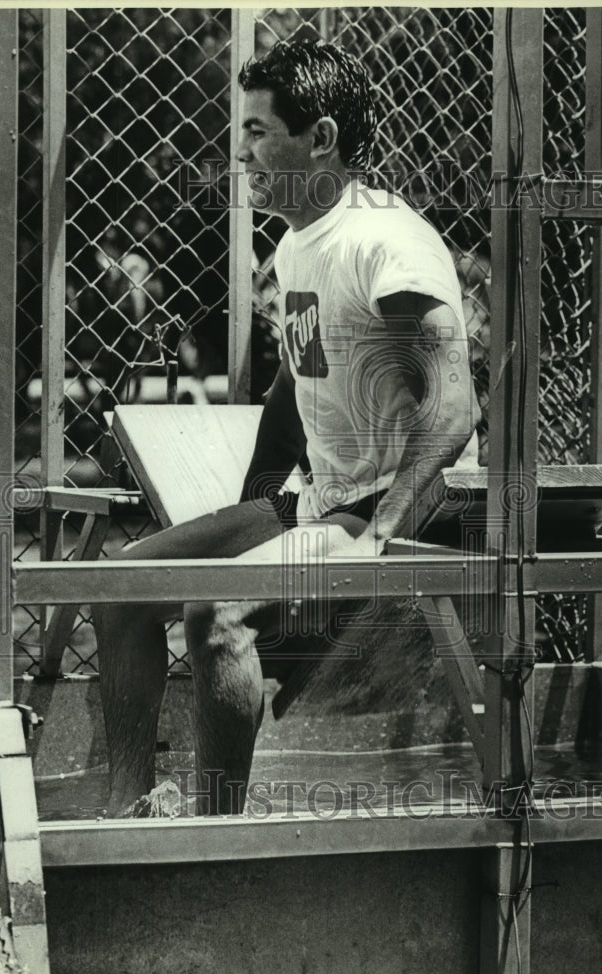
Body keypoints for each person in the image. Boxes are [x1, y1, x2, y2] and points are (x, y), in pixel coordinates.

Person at [93, 39, 480, 816]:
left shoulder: (386, 243)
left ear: (322, 137)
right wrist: (246, 519)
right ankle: (126, 810)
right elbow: (289, 388)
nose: (241, 153)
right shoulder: (298, 237)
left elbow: (453, 407)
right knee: (120, 586)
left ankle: (215, 833)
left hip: (408, 506)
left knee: (218, 609)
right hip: (321, 499)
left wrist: (382, 532)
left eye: (258, 132)